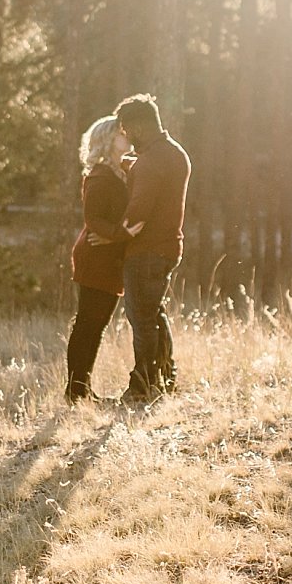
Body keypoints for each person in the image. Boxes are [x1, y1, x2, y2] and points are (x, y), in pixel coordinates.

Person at [112, 93, 190, 404]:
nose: (125, 136)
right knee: (154, 313)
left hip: (145, 251)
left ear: (139, 127)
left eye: (126, 129)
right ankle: (165, 376)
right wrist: (134, 166)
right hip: (169, 247)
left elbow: (138, 216)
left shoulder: (150, 163)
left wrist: (112, 237)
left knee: (141, 316)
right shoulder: (175, 153)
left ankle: (142, 384)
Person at [65, 114, 132, 403]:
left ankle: (80, 389)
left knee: (95, 323)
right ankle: (76, 391)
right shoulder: (100, 175)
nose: (126, 135)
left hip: (108, 256)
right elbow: (93, 218)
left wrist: (116, 236)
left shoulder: (120, 170)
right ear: (107, 140)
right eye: (120, 133)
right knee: (88, 324)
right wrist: (119, 234)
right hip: (95, 256)